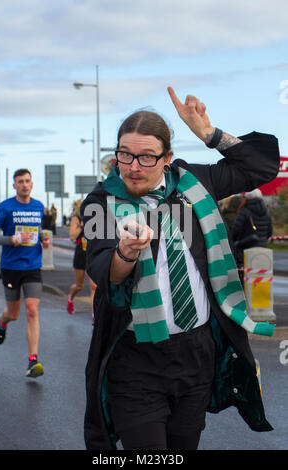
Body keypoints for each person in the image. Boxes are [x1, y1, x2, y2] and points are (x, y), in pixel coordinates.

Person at [81, 87, 280, 450]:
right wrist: (125, 251)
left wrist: (209, 134)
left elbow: (260, 167)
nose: (132, 167)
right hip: (135, 358)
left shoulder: (193, 184)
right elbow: (102, 272)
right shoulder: (101, 202)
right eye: (124, 155)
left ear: (167, 157)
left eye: (145, 157)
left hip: (196, 354)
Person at [0, 169, 50, 378]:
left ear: (32, 184)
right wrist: (11, 240)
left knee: (32, 310)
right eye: (20, 182)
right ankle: (3, 321)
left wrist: (43, 238)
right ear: (14, 185)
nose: (24, 185)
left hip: (33, 265)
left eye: (27, 181)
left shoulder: (38, 206)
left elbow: (37, 229)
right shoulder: (5, 207)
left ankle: (33, 360)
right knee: (13, 313)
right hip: (11, 267)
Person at [66, 200, 96, 321]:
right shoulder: (77, 218)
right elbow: (72, 236)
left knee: (94, 286)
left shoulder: (95, 216)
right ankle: (71, 297)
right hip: (80, 254)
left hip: (92, 253)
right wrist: (83, 225)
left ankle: (95, 315)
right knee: (79, 286)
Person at [232, 189, 273, 267]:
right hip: (262, 247)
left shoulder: (244, 211)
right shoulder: (266, 212)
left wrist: (235, 241)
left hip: (246, 247)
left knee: (246, 273)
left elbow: (236, 230)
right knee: (260, 272)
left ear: (247, 198)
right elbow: (270, 231)